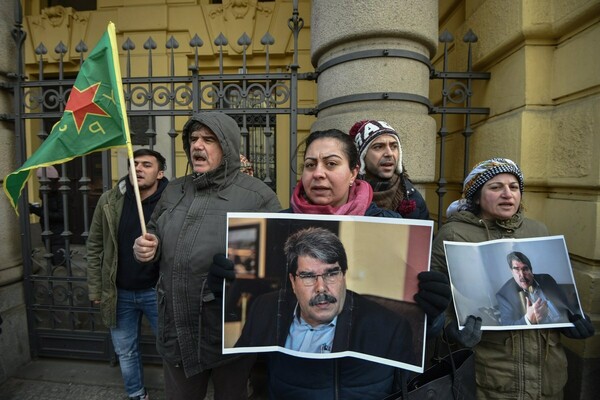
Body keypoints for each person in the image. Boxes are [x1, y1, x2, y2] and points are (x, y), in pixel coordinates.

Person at [213, 128, 450, 399]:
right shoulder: (268, 292)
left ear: (353, 172)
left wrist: (433, 311)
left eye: (332, 163)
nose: (318, 173)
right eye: (310, 164)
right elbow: (243, 350)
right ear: (292, 279)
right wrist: (224, 290)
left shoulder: (392, 226)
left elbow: (423, 338)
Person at [132, 112, 281, 400]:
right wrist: (146, 248)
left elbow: (274, 262)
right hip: (176, 329)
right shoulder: (174, 190)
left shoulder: (257, 196)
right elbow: (153, 234)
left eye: (209, 139)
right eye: (193, 139)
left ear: (227, 145)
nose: (197, 146)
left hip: (228, 334)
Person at [432, 157, 594, 399]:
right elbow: (435, 300)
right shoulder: (453, 234)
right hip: (490, 377)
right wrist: (450, 330)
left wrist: (572, 321)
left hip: (547, 378)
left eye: (514, 187)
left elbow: (560, 300)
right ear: (476, 196)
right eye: (496, 187)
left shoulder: (538, 230)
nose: (507, 194)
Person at [236, 226, 416, 364]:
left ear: (343, 275)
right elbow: (237, 366)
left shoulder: (387, 328)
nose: (321, 288)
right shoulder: (264, 308)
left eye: (331, 274)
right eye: (308, 276)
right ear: (292, 281)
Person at [87, 149, 168, 400]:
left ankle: (180, 393)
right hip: (119, 291)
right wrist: (95, 288)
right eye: (134, 165)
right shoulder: (110, 201)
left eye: (146, 164)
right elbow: (95, 246)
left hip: (158, 291)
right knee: (126, 351)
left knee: (171, 348)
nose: (139, 169)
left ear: (160, 172)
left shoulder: (173, 201)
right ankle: (136, 394)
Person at [349, 119, 429, 219]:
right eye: (378, 147)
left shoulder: (412, 198)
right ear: (362, 157)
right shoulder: (344, 194)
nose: (389, 153)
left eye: (394, 146)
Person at [496, 251, 578, 326]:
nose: (522, 275)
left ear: (531, 270)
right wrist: (528, 319)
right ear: (511, 271)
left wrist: (576, 317)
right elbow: (507, 325)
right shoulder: (504, 295)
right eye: (517, 269)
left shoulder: (546, 279)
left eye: (525, 269)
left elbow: (565, 304)